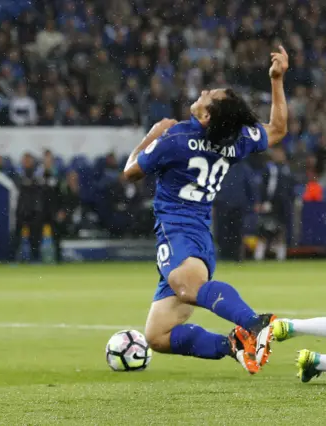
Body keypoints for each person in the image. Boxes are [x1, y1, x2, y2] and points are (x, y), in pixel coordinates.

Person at [122, 46, 289, 374]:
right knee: (157, 336)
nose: (202, 91)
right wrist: (277, 80)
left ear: (206, 116)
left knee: (188, 289)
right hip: (198, 233)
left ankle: (255, 324)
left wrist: (150, 136)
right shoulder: (236, 138)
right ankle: (233, 345)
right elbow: (278, 129)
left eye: (209, 94)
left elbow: (130, 172)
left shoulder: (175, 137)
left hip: (179, 230)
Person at [254, 145, 295, 262]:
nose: (279, 155)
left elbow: (291, 186)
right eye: (277, 153)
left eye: (281, 153)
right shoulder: (269, 168)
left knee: (281, 231)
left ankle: (281, 257)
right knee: (263, 230)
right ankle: (258, 256)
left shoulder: (287, 169)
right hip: (270, 204)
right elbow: (263, 186)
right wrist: (262, 201)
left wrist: (291, 199)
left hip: (284, 205)